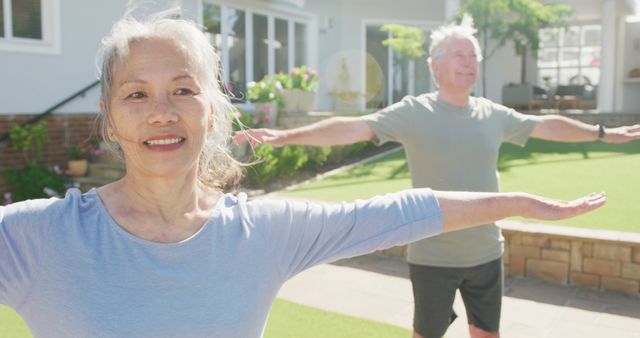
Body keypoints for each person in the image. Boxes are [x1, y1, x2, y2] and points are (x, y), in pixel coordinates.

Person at [0, 10, 607, 338]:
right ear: (108, 119)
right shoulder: (35, 238)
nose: (162, 110)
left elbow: (400, 211)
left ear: (211, 113)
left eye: (183, 89)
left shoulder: (262, 232)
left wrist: (519, 200)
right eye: (136, 94)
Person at [234, 16, 640, 338]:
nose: (470, 63)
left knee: (486, 333)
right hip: (433, 257)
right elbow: (351, 127)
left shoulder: (493, 115)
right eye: (461, 55)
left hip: (487, 252)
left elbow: (547, 125)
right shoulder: (413, 112)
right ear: (436, 66)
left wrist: (603, 133)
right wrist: (285, 136)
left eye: (474, 56)